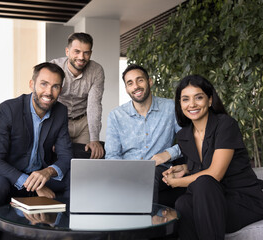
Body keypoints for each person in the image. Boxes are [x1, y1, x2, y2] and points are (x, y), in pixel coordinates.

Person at [0, 62, 73, 240]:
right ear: (32, 84)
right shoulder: (9, 109)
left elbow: (66, 156)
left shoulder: (60, 112)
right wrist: (32, 183)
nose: (48, 92)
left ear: (60, 89)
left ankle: (61, 234)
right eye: (43, 84)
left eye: (55, 86)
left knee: (73, 180)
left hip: (39, 175)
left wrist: (48, 171)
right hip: (9, 176)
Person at [163, 75, 263, 239]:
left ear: (210, 100)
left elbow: (215, 173)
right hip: (214, 202)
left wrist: (177, 182)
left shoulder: (225, 124)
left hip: (243, 201)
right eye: (185, 99)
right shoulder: (184, 135)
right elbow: (204, 164)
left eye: (199, 97)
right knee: (183, 203)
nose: (192, 104)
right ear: (180, 104)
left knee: (203, 183)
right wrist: (185, 168)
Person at [105, 64, 182, 203]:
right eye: (130, 83)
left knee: (147, 177)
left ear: (149, 81)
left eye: (140, 80)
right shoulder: (116, 116)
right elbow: (112, 155)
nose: (136, 86)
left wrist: (168, 154)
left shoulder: (171, 108)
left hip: (157, 170)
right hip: (126, 170)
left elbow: (188, 141)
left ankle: (146, 223)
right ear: (127, 89)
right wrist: (123, 173)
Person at [51, 32, 105, 159]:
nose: (81, 57)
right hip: (60, 121)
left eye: (86, 52)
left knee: (86, 160)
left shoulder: (96, 70)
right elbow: (49, 102)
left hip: (83, 123)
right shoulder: (54, 67)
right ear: (67, 51)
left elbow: (94, 105)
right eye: (76, 51)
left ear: (90, 53)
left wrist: (95, 139)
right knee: (59, 157)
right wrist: (50, 134)